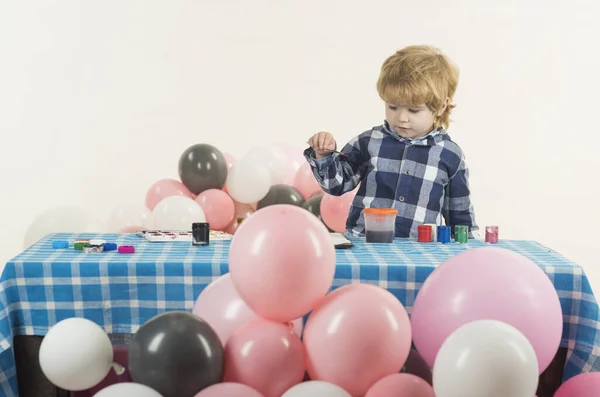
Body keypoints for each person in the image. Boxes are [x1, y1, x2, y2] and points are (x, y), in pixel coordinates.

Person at [304, 45, 479, 239]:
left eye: (414, 110)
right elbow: (336, 186)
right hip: (365, 245)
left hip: (421, 252)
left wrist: (469, 254)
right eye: (393, 106)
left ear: (441, 107)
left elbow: (459, 215)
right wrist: (324, 156)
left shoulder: (450, 155)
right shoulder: (368, 142)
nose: (402, 118)